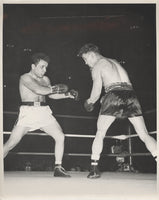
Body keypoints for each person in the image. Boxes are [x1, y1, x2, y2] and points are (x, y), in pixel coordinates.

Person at [77, 43, 157, 178]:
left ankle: (94, 168)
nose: (85, 63)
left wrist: (89, 102)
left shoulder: (98, 65)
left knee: (100, 132)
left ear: (91, 54)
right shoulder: (114, 61)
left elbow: (96, 91)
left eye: (85, 59)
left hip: (114, 95)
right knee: (144, 134)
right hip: (130, 94)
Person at [4, 52, 78, 177]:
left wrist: (67, 95)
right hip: (28, 112)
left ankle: (58, 168)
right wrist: (56, 88)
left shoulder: (46, 79)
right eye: (42, 67)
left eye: (46, 67)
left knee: (60, 136)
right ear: (33, 66)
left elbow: (50, 95)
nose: (44, 70)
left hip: (44, 112)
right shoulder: (25, 77)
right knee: (11, 143)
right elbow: (38, 90)